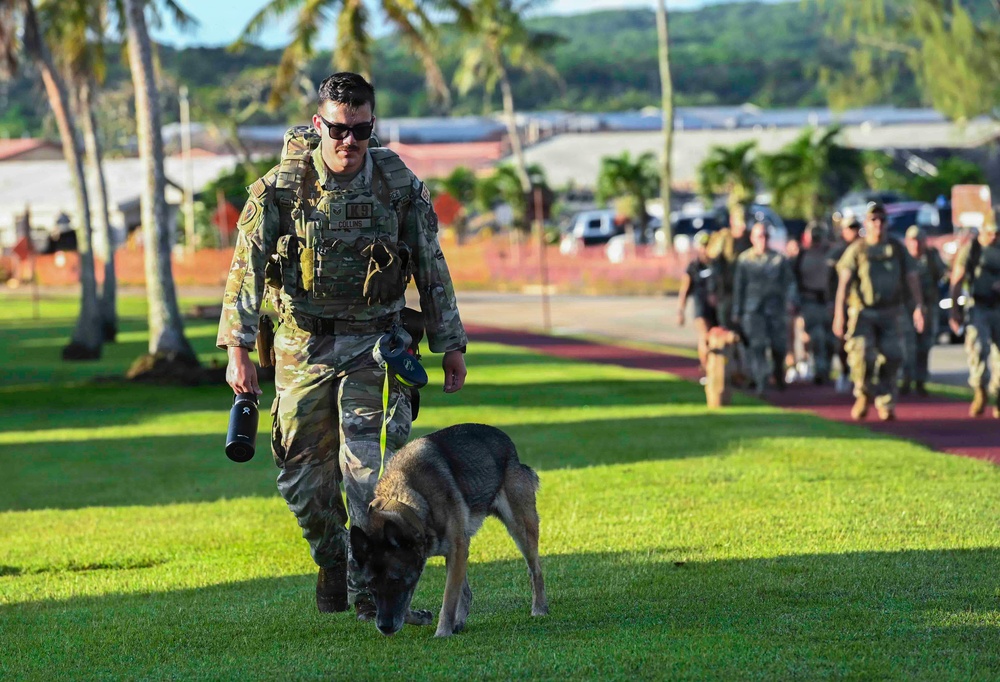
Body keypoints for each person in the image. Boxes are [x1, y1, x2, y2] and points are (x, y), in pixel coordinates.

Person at [216, 72, 469, 619]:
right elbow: (245, 274)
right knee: (305, 483)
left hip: (377, 345)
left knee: (371, 472)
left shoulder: (397, 183)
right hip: (302, 346)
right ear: (318, 124)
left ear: (372, 126)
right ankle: (333, 561)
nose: (348, 142)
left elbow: (431, 264)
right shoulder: (280, 188)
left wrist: (450, 342)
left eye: (361, 129)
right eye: (337, 129)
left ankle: (366, 591)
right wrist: (237, 348)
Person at [833, 202, 924, 421]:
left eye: (882, 219)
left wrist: (919, 307)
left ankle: (885, 402)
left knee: (893, 356)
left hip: (891, 312)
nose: (878, 224)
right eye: (873, 219)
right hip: (863, 313)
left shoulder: (897, 248)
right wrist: (839, 314)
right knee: (862, 355)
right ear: (866, 223)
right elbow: (844, 283)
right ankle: (863, 394)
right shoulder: (857, 249)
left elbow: (912, 277)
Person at [732, 221, 798, 395]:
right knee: (758, 346)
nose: (763, 240)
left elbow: (790, 282)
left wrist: (791, 300)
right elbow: (739, 287)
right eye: (760, 236)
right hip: (753, 310)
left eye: (766, 236)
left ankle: (778, 373)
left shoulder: (779, 259)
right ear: (753, 238)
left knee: (778, 346)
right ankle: (762, 381)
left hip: (776, 309)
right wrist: (737, 312)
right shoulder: (744, 260)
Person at [948, 221, 1000, 417]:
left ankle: (998, 393)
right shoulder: (972, 249)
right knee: (978, 349)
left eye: (998, 233)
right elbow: (957, 279)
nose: (994, 237)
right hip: (978, 306)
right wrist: (955, 310)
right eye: (990, 233)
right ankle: (980, 390)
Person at [901, 225, 946, 396]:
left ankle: (920, 381)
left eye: (919, 240)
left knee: (925, 345)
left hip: (929, 307)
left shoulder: (931, 257)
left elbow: (943, 274)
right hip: (906, 307)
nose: (917, 244)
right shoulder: (903, 258)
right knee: (907, 345)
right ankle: (906, 380)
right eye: (913, 240)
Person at [794, 222, 834, 384]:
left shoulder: (832, 254)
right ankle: (821, 369)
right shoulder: (802, 256)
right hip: (810, 302)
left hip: (828, 302)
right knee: (817, 337)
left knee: (831, 340)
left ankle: (829, 369)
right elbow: (795, 281)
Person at [827, 212, 861, 392]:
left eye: (856, 227)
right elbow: (831, 281)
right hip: (843, 303)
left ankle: (860, 378)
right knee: (842, 342)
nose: (854, 231)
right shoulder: (837, 252)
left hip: (861, 304)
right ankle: (844, 371)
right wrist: (832, 303)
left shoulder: (865, 248)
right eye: (850, 228)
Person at [677, 230, 717, 372]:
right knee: (704, 336)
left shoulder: (717, 265)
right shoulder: (694, 267)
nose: (705, 249)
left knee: (718, 340)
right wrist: (680, 311)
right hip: (701, 308)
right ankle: (705, 367)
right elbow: (684, 290)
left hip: (717, 309)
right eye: (703, 245)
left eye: (708, 245)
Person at [707, 203, 751, 330]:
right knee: (727, 330)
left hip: (746, 295)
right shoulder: (723, 238)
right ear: (732, 220)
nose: (743, 225)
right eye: (740, 221)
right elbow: (713, 266)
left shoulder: (751, 239)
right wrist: (712, 290)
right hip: (726, 293)